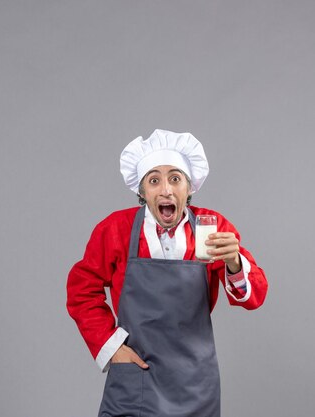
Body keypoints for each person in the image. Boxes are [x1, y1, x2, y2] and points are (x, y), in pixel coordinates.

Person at [66, 129, 268, 417]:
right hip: (137, 373)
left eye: (175, 178)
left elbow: (254, 297)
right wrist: (111, 348)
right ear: (141, 190)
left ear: (190, 187)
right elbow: (81, 289)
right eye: (154, 180)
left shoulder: (212, 228)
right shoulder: (116, 229)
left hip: (194, 380)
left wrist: (234, 261)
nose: (166, 190)